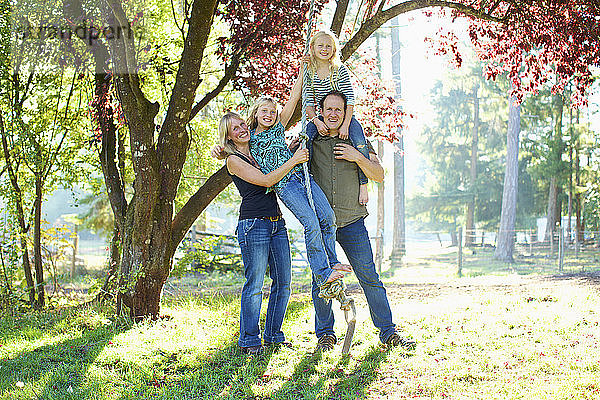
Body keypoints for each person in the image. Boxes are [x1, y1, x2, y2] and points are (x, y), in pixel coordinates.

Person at [307, 91, 416, 351]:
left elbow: (378, 174)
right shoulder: (310, 141)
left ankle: (388, 332)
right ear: (320, 111)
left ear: (346, 113)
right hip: (324, 226)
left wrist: (358, 157)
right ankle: (325, 334)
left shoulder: (356, 141)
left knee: (369, 276)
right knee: (321, 280)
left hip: (353, 222)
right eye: (328, 109)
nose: (333, 114)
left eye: (338, 110)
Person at [246, 74, 350, 293]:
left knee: (328, 217)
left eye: (273, 112)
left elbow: (294, 97)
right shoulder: (249, 140)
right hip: (286, 187)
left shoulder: (277, 128)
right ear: (255, 113)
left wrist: (303, 69)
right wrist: (217, 152)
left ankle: (331, 262)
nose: (269, 115)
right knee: (311, 223)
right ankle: (322, 273)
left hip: (302, 176)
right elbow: (230, 146)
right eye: (264, 111)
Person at [217, 111, 309, 355]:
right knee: (255, 284)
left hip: (277, 222)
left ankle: (273, 335)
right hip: (253, 224)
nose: (241, 129)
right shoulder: (233, 160)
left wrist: (289, 148)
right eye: (234, 129)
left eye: (241, 124)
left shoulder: (256, 150)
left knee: (284, 282)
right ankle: (249, 340)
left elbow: (274, 158)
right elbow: (268, 180)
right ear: (228, 137)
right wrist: (295, 160)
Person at [303, 30, 371, 206]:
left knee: (359, 142)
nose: (324, 49)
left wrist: (346, 125)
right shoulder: (309, 72)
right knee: (306, 139)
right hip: (321, 116)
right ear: (313, 48)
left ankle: (363, 183)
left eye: (328, 46)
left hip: (344, 116)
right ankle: (306, 180)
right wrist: (317, 122)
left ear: (333, 49)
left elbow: (350, 100)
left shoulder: (339, 69)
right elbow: (308, 104)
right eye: (321, 46)